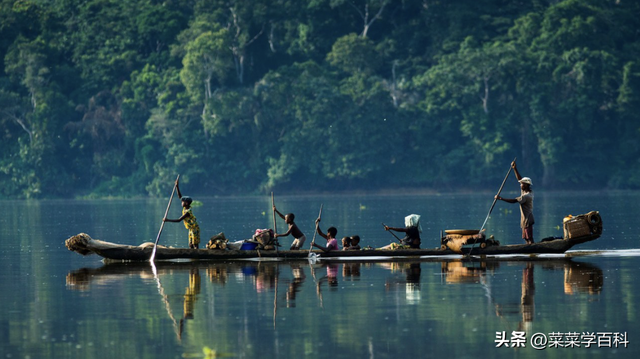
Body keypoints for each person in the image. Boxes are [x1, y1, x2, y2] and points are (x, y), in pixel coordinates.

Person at [495, 160, 535, 244]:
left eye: (522, 184)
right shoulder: (525, 191)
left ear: (526, 185)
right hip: (524, 219)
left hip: (527, 218)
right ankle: (528, 250)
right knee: (526, 238)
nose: (520, 185)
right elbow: (520, 179)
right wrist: (515, 168)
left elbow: (514, 201)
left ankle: (533, 251)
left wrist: (501, 198)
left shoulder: (526, 196)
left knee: (529, 238)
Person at [164, 178, 200, 249]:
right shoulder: (185, 207)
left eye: (183, 202)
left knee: (195, 244)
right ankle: (192, 255)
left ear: (186, 203)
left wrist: (167, 220)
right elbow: (180, 196)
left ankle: (197, 256)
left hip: (194, 228)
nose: (181, 202)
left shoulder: (188, 212)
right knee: (190, 245)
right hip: (190, 229)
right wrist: (177, 186)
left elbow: (179, 220)